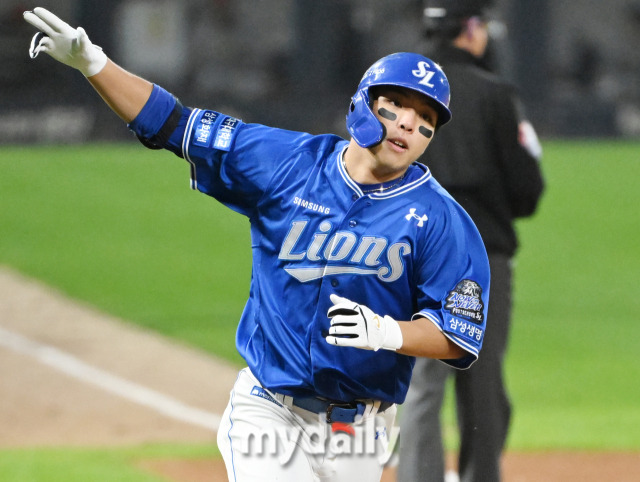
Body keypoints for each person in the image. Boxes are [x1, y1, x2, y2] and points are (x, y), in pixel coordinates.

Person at [23, 7, 490, 482]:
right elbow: (176, 125)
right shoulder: (287, 163)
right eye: (398, 104)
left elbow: (458, 333)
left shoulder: (441, 219)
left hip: (362, 435)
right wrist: (95, 64)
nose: (410, 123)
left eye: (426, 116)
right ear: (363, 104)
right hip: (268, 411)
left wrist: (388, 333)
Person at [397, 1, 544, 482]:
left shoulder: (397, 93)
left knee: (421, 384)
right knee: (481, 385)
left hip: (414, 254)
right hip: (483, 253)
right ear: (472, 29)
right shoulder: (494, 94)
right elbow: (527, 189)